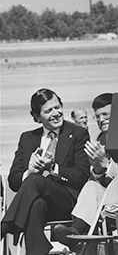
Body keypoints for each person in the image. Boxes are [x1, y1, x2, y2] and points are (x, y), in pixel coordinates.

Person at [1, 88, 90, 255]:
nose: (56, 113)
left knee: (35, 180)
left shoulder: (78, 134)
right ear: (37, 117)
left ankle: (4, 227)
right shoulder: (27, 138)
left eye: (57, 107)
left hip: (68, 200)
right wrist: (28, 171)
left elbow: (82, 176)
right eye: (48, 111)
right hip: (38, 201)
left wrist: (53, 168)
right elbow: (13, 181)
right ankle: (40, 251)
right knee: (36, 204)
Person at [53, 93, 118, 250]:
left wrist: (105, 163)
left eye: (105, 114)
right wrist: (97, 168)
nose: (101, 119)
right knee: (90, 185)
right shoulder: (100, 139)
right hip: (106, 196)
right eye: (97, 116)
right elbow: (98, 179)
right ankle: (76, 232)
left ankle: (78, 237)